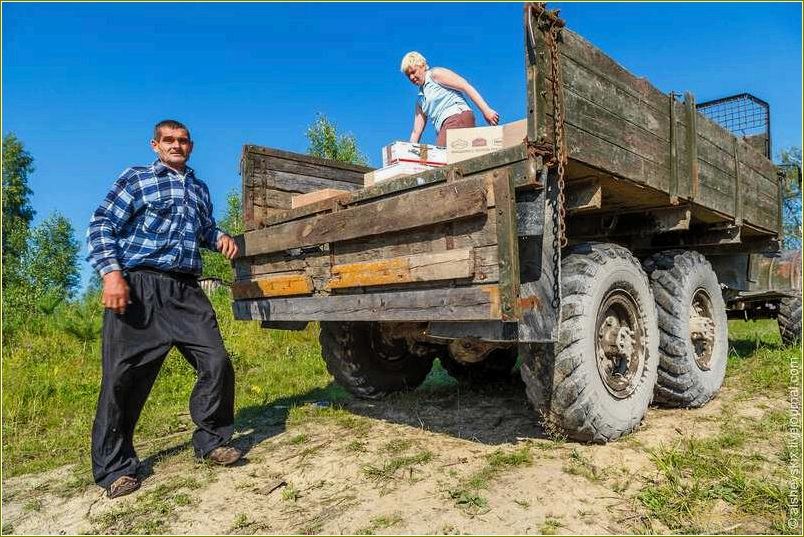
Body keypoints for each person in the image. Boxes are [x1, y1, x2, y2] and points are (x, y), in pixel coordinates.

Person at [87, 119, 241, 499]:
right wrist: (111, 275)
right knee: (123, 378)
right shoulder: (136, 178)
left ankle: (211, 439)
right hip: (138, 286)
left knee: (216, 361)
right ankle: (115, 468)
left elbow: (203, 228)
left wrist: (218, 236)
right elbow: (101, 224)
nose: (177, 145)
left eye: (183, 141)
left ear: (191, 146)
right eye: (169, 140)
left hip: (185, 289)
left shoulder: (199, 188)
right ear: (155, 145)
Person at [401, 51, 500, 147]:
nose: (411, 77)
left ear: (422, 66)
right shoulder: (420, 99)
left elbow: (465, 86)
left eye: (413, 72)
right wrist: (407, 153)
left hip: (457, 117)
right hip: (444, 127)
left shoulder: (434, 75)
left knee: (441, 158)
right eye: (408, 75)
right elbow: (416, 131)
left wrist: (486, 110)